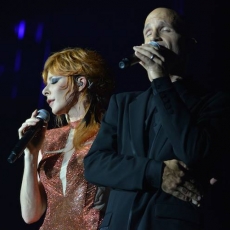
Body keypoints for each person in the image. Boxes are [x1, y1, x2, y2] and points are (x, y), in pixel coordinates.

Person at [84, 7, 230, 230]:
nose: (154, 37)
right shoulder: (123, 104)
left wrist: (160, 79)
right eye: (148, 32)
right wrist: (157, 172)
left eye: (165, 29)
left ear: (189, 44)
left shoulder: (213, 102)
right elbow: (94, 165)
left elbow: (193, 152)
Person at [19, 47, 114, 230]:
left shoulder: (108, 133)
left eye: (53, 81)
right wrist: (30, 155)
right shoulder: (48, 139)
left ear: (81, 83)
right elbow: (31, 214)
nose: (45, 91)